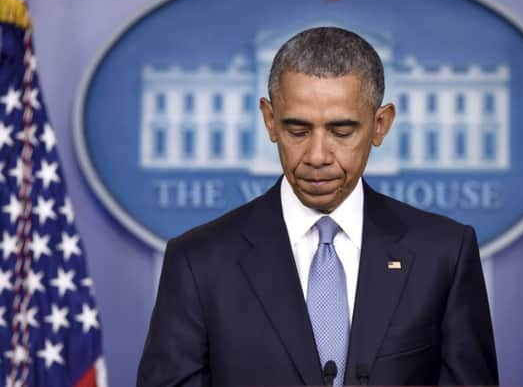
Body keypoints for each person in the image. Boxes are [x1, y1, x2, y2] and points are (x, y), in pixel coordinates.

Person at [137, 26, 499, 387]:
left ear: (380, 124)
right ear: (269, 120)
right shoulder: (198, 262)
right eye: (298, 131)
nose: (317, 156)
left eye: (342, 132)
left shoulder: (443, 254)